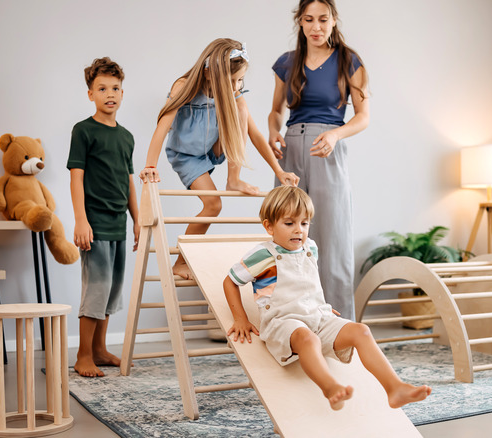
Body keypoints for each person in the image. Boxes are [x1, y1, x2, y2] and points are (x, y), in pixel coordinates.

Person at [224, 186, 430, 410]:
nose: (299, 230)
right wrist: (240, 318)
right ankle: (331, 388)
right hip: (283, 322)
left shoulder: (310, 247)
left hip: (317, 316)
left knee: (361, 331)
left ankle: (395, 388)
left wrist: (318, 306)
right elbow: (230, 281)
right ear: (269, 226)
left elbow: (306, 282)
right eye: (289, 223)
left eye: (304, 223)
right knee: (309, 340)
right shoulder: (263, 255)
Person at [140, 38, 299, 279]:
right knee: (213, 205)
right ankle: (179, 262)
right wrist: (150, 166)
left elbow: (254, 134)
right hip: (187, 156)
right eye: (231, 81)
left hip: (214, 148)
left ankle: (233, 179)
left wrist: (279, 171)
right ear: (208, 74)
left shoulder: (235, 93)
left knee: (242, 108)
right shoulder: (184, 86)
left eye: (240, 80)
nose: (236, 86)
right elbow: (163, 125)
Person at [268, 0, 369, 320]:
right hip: (291, 149)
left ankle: (340, 326)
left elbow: (363, 116)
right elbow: (275, 112)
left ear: (334, 20)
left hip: (327, 147)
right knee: (286, 233)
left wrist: (336, 135)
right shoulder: (287, 63)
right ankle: (289, 319)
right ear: (299, 22)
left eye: (323, 20)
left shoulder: (349, 61)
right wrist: (273, 133)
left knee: (332, 237)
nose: (316, 27)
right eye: (309, 20)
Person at [67, 57, 139, 377]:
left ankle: (99, 349)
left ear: (122, 93)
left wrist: (138, 220)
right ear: (90, 94)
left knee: (112, 289)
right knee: (96, 288)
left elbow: (128, 182)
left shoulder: (126, 137)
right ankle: (83, 354)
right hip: (94, 223)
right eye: (102, 88)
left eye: (115, 88)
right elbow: (76, 178)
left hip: (119, 224)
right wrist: (81, 220)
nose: (110, 93)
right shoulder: (83, 131)